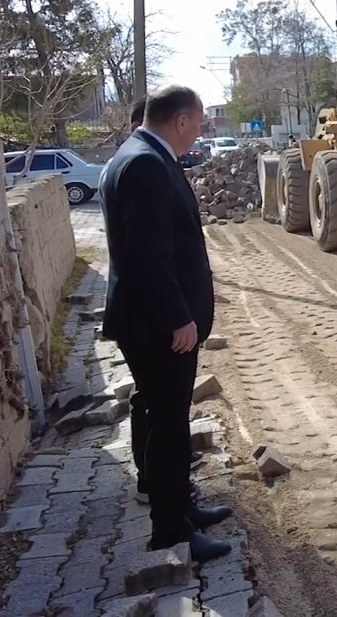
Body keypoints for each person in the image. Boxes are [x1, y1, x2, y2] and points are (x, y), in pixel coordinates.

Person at [99, 84, 232, 561]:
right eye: (197, 123)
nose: (199, 132)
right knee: (169, 425)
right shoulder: (145, 166)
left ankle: (182, 508)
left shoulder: (138, 157)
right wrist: (180, 318)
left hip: (152, 320)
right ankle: (172, 530)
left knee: (167, 418)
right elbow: (148, 259)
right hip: (159, 325)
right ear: (180, 121)